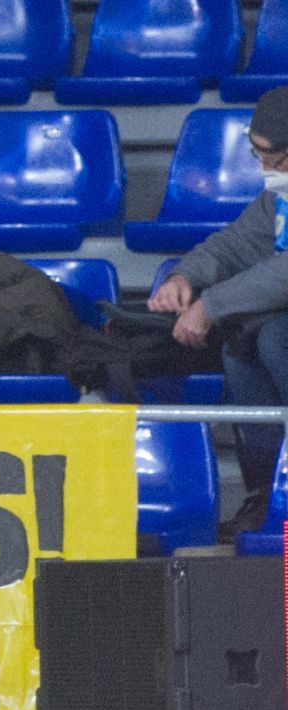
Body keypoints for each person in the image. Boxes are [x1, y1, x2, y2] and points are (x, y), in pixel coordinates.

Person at [150, 86, 288, 534]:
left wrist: (212, 303)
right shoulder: (280, 196)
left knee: (274, 338)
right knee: (242, 342)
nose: (266, 168)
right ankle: (266, 494)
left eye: (276, 158)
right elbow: (237, 243)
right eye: (257, 155)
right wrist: (185, 278)